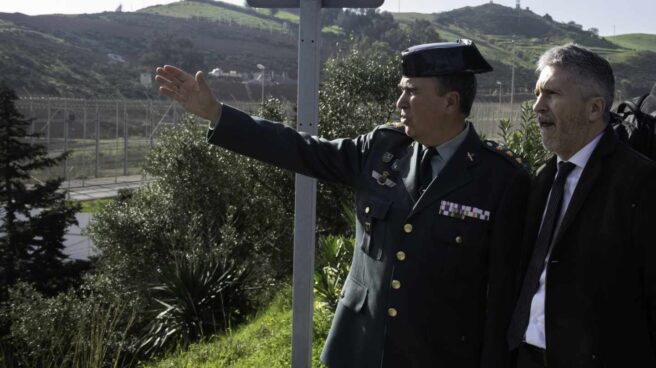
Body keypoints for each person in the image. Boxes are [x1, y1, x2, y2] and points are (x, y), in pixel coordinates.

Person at [156, 39, 529, 368]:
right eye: (401, 90)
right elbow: (300, 149)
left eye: (412, 92)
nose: (400, 102)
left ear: (450, 102)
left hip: (439, 356)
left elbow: (500, 300)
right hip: (361, 348)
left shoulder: (501, 180)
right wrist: (217, 114)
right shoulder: (383, 149)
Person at [507, 44, 656, 368]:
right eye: (537, 94)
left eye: (552, 94)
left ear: (594, 108)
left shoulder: (640, 184)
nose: (537, 106)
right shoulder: (543, 179)